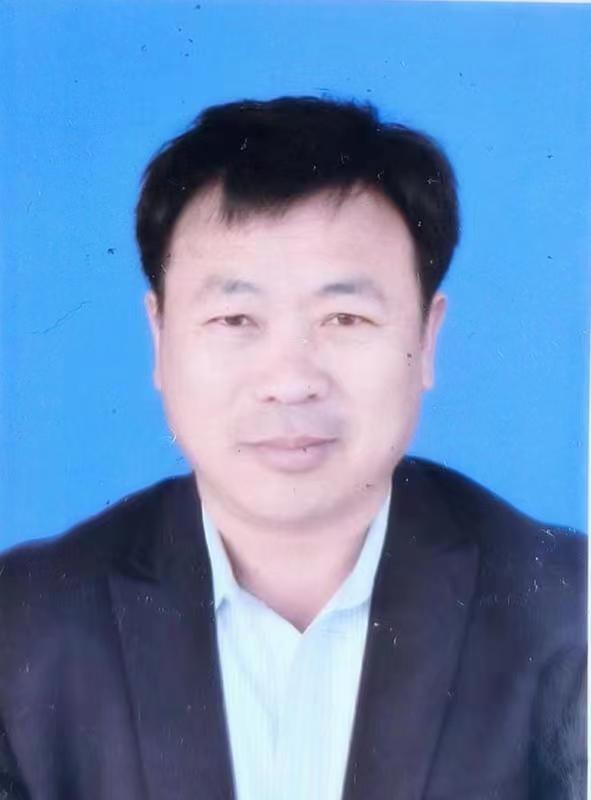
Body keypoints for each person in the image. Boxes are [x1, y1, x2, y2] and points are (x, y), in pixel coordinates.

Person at [0, 97, 586, 800]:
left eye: (345, 318)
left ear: (426, 339)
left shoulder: (567, 615)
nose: (289, 381)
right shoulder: (22, 623)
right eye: (235, 318)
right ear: (159, 337)